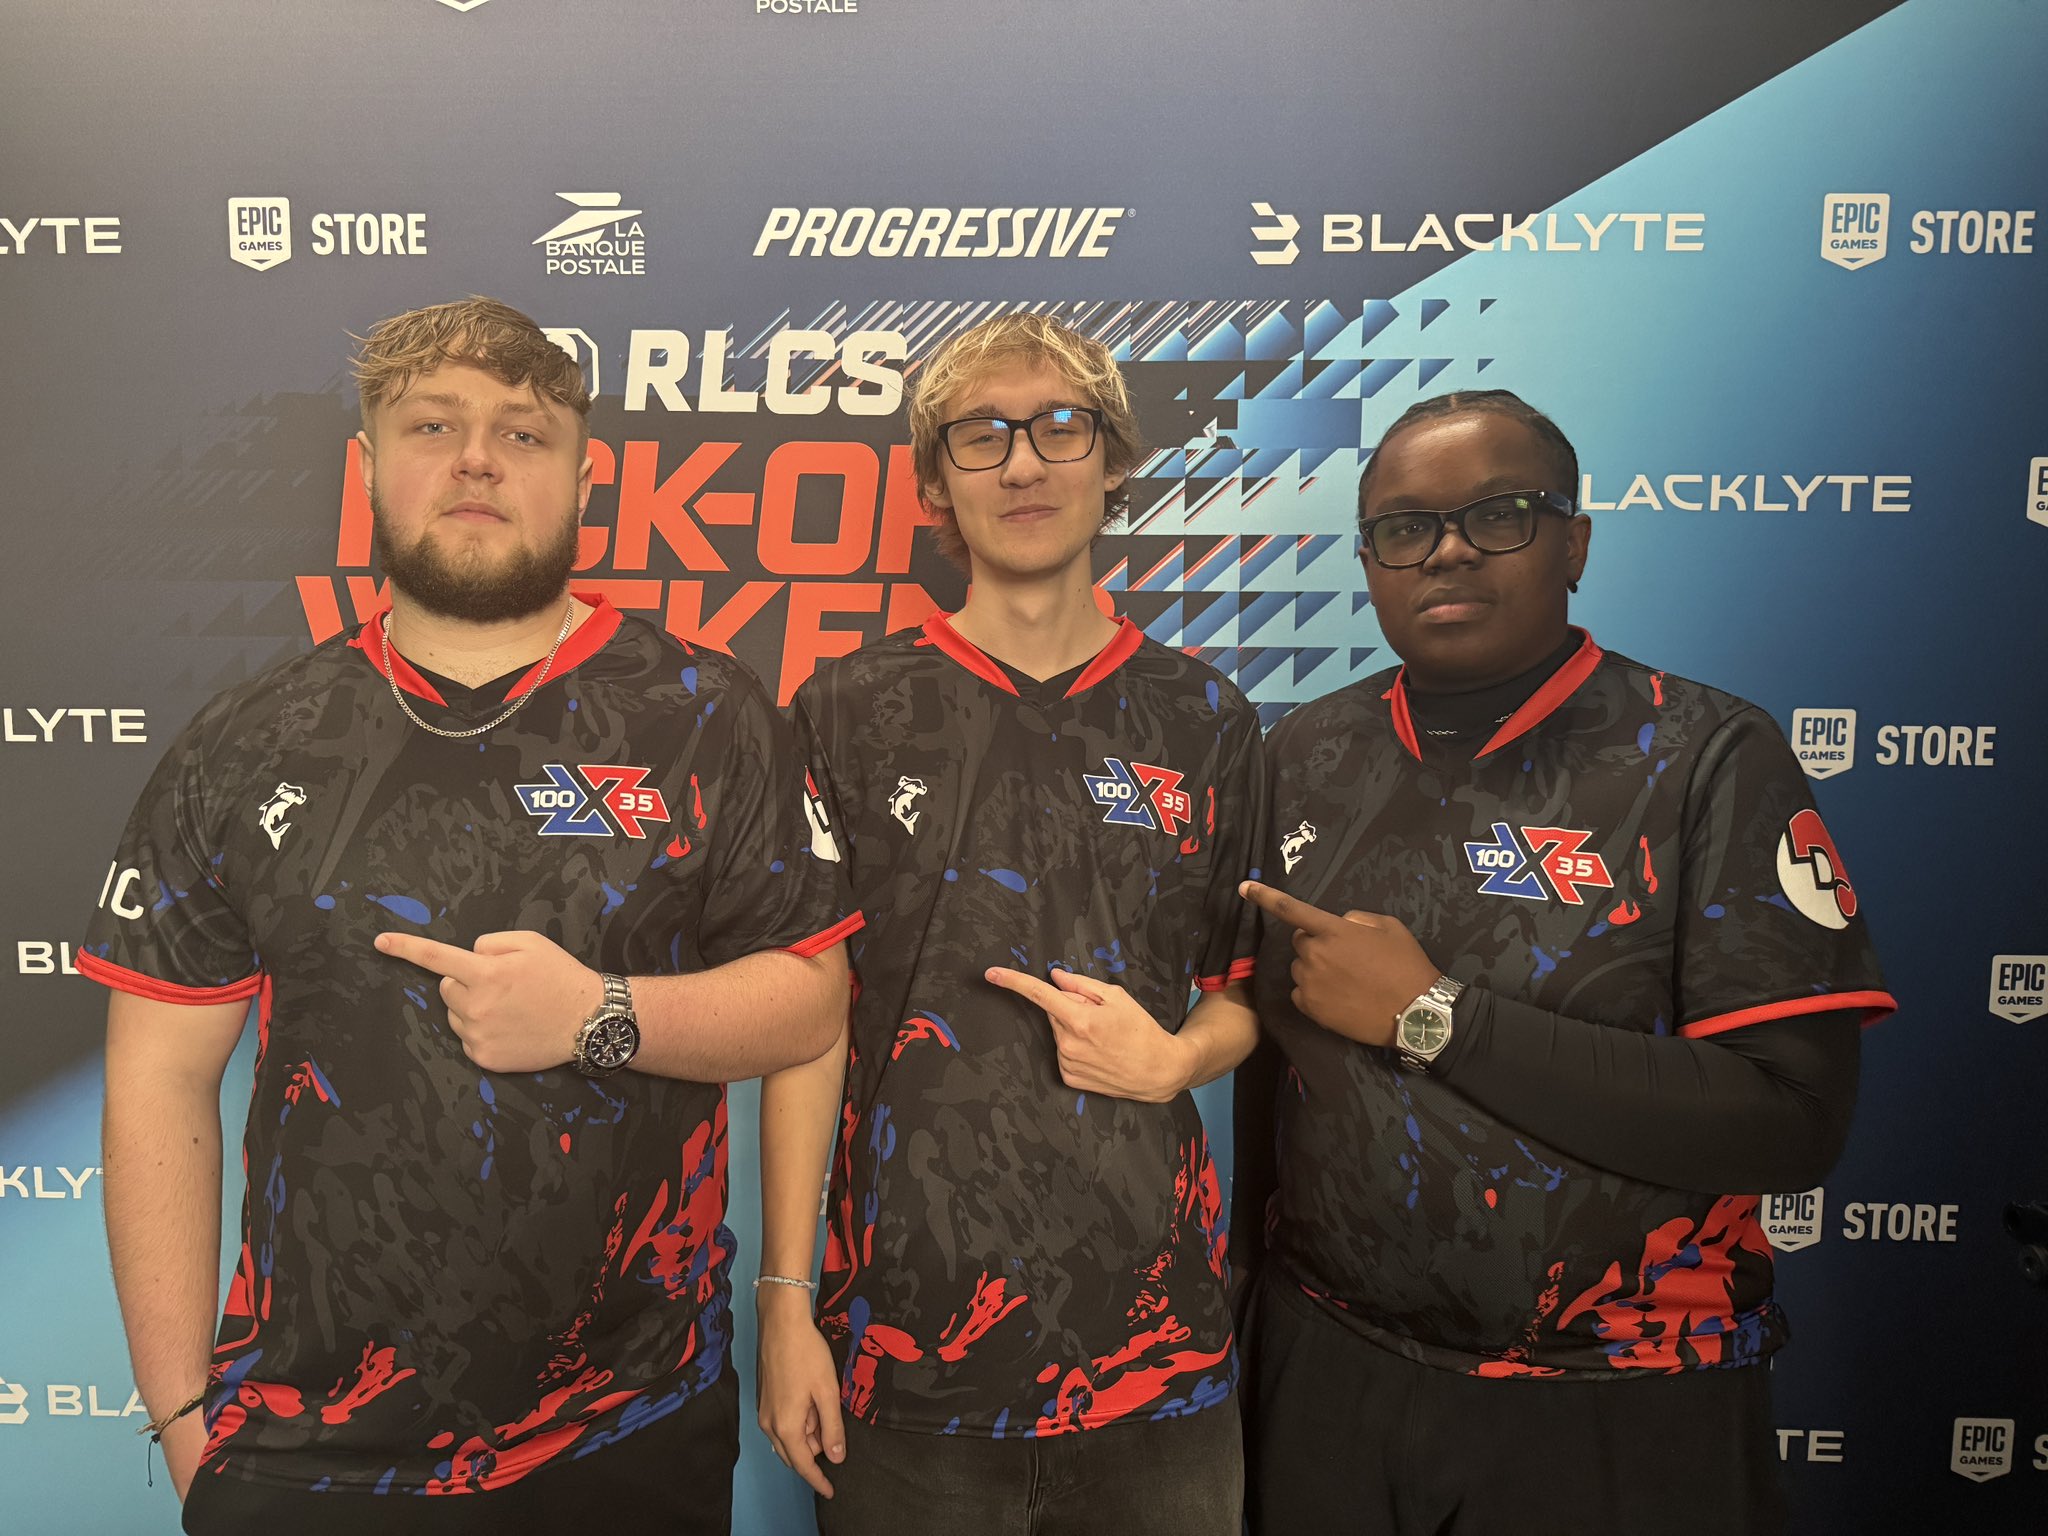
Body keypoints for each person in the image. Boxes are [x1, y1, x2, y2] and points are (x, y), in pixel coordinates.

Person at [82, 296, 859, 1535]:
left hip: (628, 1427)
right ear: (367, 467)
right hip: (306, 1448)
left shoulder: (708, 714)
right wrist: (184, 1423)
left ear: (585, 479)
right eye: (432, 425)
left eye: (523, 432)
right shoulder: (248, 741)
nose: (477, 459)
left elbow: (810, 1003)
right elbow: (157, 1079)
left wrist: (599, 1015)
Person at [1232, 390, 1893, 1536]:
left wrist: (1434, 1014)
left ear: (1573, 543)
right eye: (1404, 527)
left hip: (1618, 1397)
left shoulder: (1700, 754)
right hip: (1329, 1371)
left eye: (1497, 515)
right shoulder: (1301, 750)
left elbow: (1790, 1120)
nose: (1445, 550)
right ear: (1369, 561)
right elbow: (1267, 1072)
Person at [754, 312, 1265, 1535]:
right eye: (979, 435)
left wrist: (1177, 1059)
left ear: (1112, 461)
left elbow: (1240, 993)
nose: (1023, 463)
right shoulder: (845, 707)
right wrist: (784, 1300)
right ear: (933, 482)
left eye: (1058, 428)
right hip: (902, 1352)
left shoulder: (1204, 717)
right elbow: (804, 1023)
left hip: (1156, 1359)